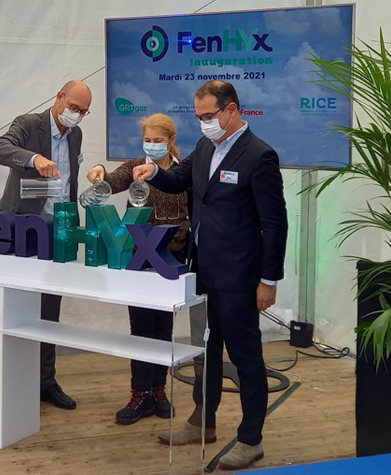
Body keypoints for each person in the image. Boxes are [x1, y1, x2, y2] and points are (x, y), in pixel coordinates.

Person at [133, 80, 288, 471]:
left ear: (232, 110)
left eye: (209, 116)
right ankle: (203, 420)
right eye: (199, 117)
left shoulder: (260, 156)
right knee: (206, 349)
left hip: (239, 275)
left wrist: (268, 280)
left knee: (245, 355)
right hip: (202, 269)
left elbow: (275, 224)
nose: (203, 123)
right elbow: (176, 180)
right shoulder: (206, 148)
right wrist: (152, 171)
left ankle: (251, 439)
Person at [0, 80, 92, 411]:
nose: (76, 115)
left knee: (49, 310)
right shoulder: (29, 124)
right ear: (58, 98)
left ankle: (46, 380)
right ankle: (15, 380)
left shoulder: (75, 135)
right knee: (17, 307)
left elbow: (70, 181)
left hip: (55, 231)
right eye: (73, 107)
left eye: (83, 112)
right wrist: (34, 159)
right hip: (21, 226)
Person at [87, 113, 191, 424]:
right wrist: (99, 173)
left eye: (158, 141)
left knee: (163, 326)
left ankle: (159, 390)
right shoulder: (134, 167)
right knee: (140, 325)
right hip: (139, 255)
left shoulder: (184, 172)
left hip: (173, 256)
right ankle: (139, 392)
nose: (152, 145)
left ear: (170, 141)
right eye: (148, 140)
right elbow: (112, 181)